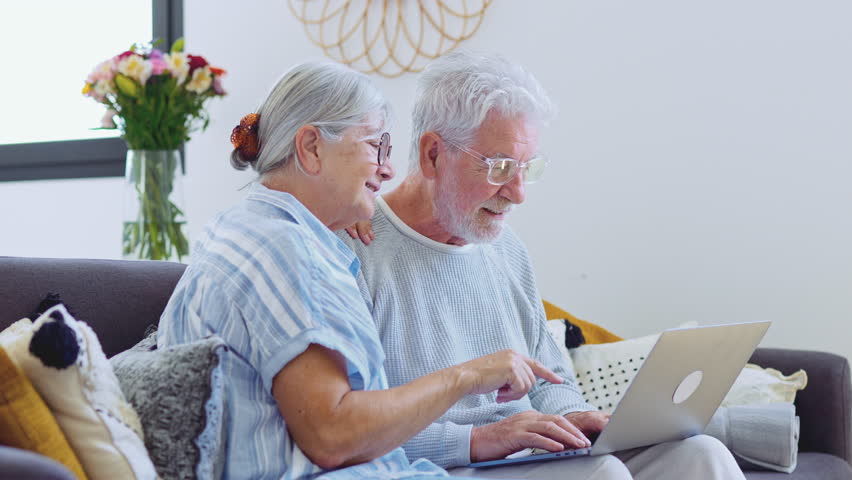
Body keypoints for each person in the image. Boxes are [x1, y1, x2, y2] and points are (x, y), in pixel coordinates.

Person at [340, 51, 746, 479]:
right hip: (444, 465)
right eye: (499, 167)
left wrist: (578, 417)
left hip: (527, 458)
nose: (518, 194)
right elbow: (343, 430)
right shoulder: (356, 248)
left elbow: (550, 379)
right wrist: (476, 441)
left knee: (701, 454)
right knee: (602, 475)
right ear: (433, 154)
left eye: (527, 168)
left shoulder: (505, 248)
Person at [156, 61, 567, 480]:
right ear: (312, 147)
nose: (387, 170)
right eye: (375, 147)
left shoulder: (247, 228)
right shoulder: (290, 251)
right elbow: (334, 434)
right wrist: (466, 377)